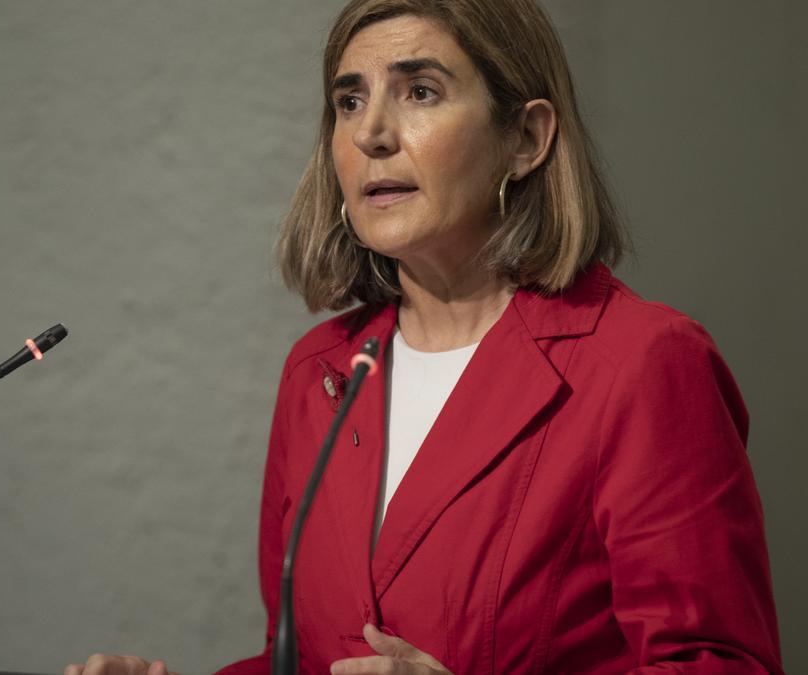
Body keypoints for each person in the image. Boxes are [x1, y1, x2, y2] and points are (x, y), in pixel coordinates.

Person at [66, 0, 782, 673]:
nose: (372, 133)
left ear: (526, 138)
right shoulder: (320, 373)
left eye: (421, 92)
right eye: (349, 101)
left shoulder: (642, 363)